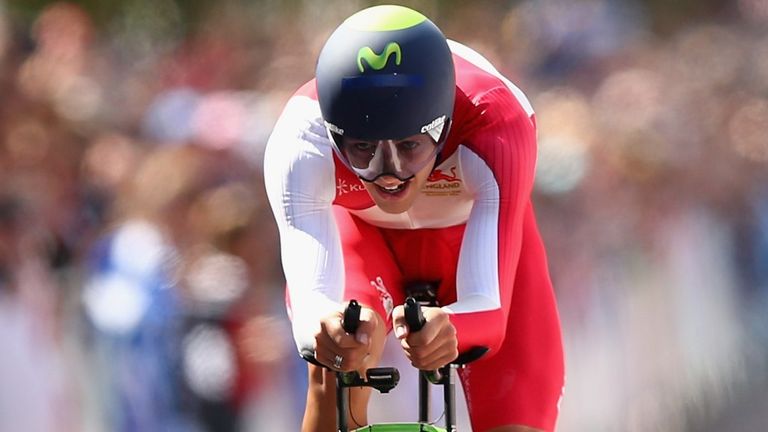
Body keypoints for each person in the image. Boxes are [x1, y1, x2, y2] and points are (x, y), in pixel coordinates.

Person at [264, 5, 564, 432]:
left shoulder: (496, 119)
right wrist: (327, 330)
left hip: (465, 239)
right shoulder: (300, 137)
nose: (389, 172)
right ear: (333, 134)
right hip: (363, 236)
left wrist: (454, 327)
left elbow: (489, 313)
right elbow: (312, 304)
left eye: (410, 146)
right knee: (337, 368)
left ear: (444, 128)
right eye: (363, 149)